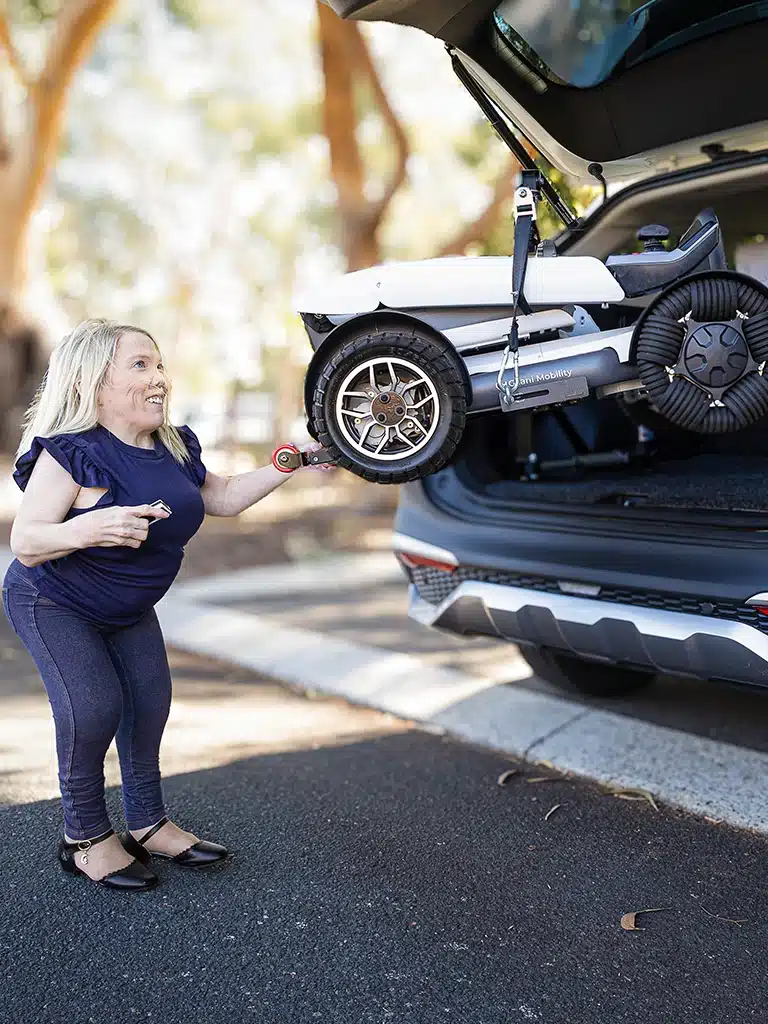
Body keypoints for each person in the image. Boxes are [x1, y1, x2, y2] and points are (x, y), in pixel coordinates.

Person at [3, 318, 332, 893]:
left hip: (127, 606)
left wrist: (297, 458)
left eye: (158, 365)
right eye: (139, 366)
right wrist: (94, 527)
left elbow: (224, 496)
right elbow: (27, 541)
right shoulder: (70, 455)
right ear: (93, 384)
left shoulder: (171, 445)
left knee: (151, 704)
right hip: (52, 601)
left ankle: (148, 824)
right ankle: (83, 838)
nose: (159, 378)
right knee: (95, 706)